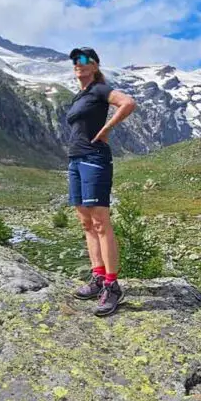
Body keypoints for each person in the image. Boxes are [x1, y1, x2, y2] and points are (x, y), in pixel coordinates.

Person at [66, 47, 137, 316]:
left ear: (95, 65)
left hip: (94, 158)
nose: (78, 63)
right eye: (75, 60)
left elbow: (128, 102)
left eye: (84, 60)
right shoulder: (79, 96)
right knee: (85, 221)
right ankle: (97, 278)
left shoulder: (98, 89)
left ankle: (112, 285)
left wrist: (106, 129)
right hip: (75, 160)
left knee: (100, 221)